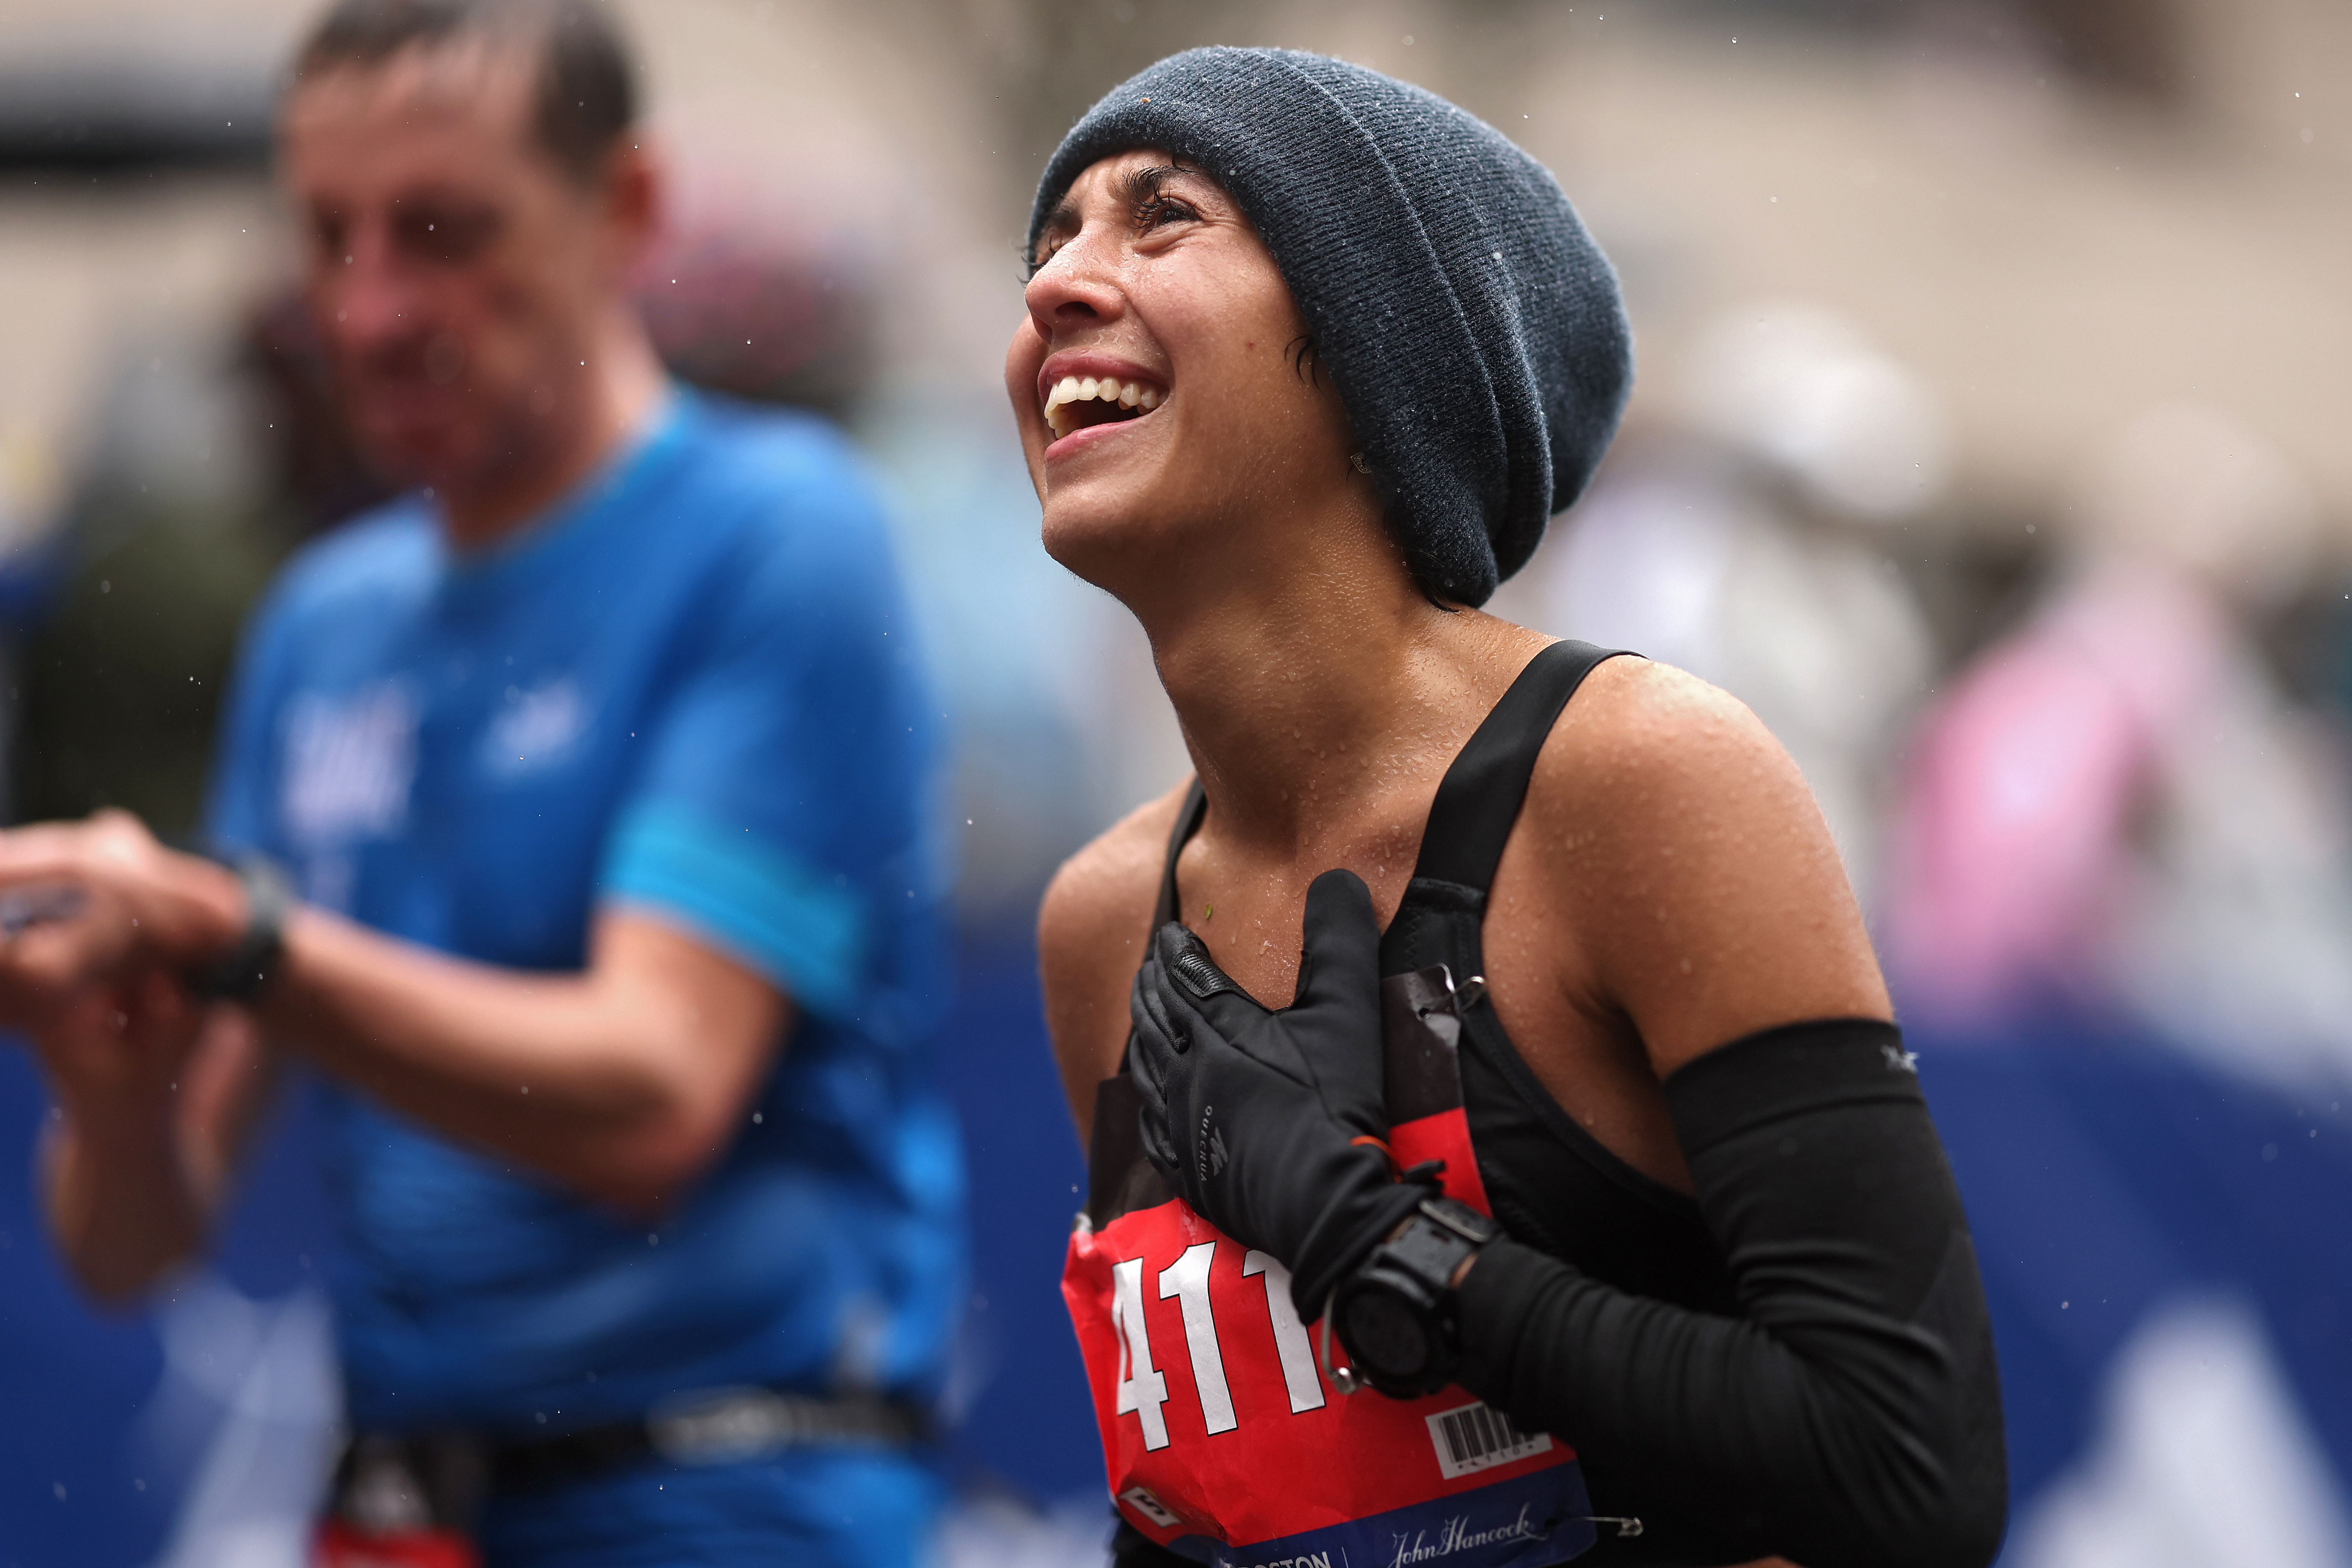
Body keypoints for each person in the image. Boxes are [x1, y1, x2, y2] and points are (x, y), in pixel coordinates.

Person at [1018, 49, 2005, 1568]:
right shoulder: (1104, 919)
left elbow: (1904, 1468)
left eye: (1163, 221)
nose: (1060, 286)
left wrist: (1373, 1241)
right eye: (1053, 240)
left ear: (1372, 343)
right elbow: (1197, 1518)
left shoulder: (1640, 774)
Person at [0, 3, 961, 1564]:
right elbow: (133, 1242)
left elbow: (656, 1093)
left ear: (625, 210)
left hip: (737, 1504)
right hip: (400, 1510)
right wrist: (109, 1071)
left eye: (442, 232)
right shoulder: (326, 620)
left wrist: (228, 931)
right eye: (329, 236)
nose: (369, 311)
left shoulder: (779, 534)